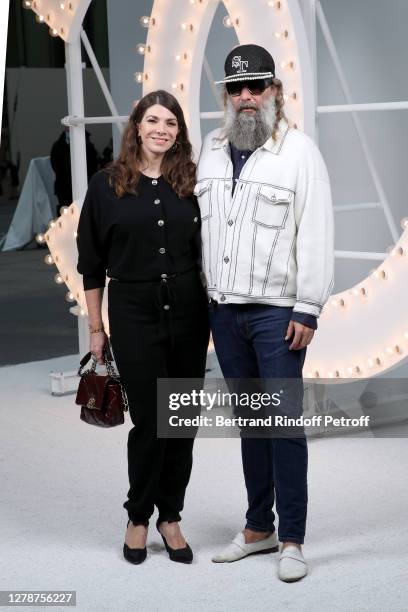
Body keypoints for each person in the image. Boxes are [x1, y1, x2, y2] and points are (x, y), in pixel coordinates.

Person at [195, 44, 334, 581]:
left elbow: (316, 231)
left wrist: (309, 307)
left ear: (275, 92)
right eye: (237, 89)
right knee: (251, 424)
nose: (246, 97)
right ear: (226, 98)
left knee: (283, 425)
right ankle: (259, 527)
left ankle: (293, 538)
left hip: (278, 314)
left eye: (257, 86)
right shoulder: (209, 150)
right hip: (225, 312)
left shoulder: (300, 153)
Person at [76, 90, 210, 565]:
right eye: (153, 120)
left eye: (171, 123)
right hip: (132, 311)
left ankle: (170, 516)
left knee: (182, 422)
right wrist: (96, 329)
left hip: (191, 311)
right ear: (136, 126)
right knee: (152, 421)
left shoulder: (191, 182)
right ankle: (138, 516)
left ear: (179, 133)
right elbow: (90, 264)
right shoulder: (105, 185)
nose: (161, 129)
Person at [51, 128, 98, 216]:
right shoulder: (57, 146)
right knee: (66, 214)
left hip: (84, 185)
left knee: (84, 213)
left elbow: (93, 166)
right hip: (64, 188)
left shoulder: (88, 145)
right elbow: (55, 165)